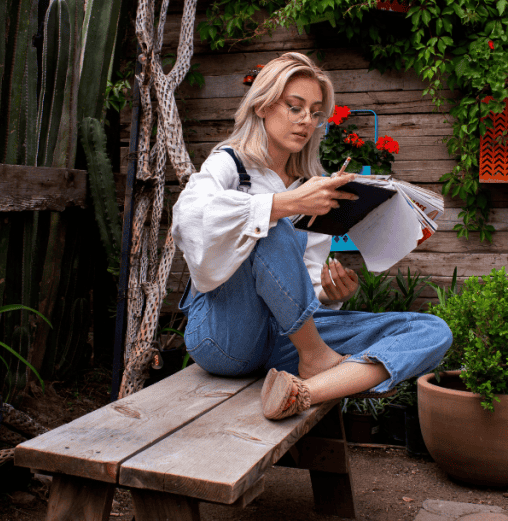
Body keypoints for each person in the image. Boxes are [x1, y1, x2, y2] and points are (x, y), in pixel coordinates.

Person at [171, 52, 452, 420]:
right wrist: (281, 204)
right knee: (270, 226)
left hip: (287, 341)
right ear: (263, 105)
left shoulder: (311, 186)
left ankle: (303, 391)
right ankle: (322, 362)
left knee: (430, 329)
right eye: (295, 107)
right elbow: (187, 219)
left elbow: (298, 277)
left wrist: (329, 293)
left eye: (315, 112)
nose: (306, 121)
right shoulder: (229, 163)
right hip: (225, 338)